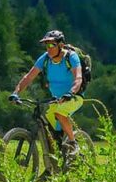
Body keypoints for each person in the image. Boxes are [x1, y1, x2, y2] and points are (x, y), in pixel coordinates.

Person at [10, 29, 83, 161]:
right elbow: (28, 77)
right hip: (55, 100)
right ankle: (52, 167)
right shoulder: (45, 59)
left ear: (61, 45)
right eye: (46, 45)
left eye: (51, 45)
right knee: (50, 133)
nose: (48, 49)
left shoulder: (71, 57)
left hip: (74, 97)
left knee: (60, 114)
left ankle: (73, 143)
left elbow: (78, 78)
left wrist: (70, 93)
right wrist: (16, 92)